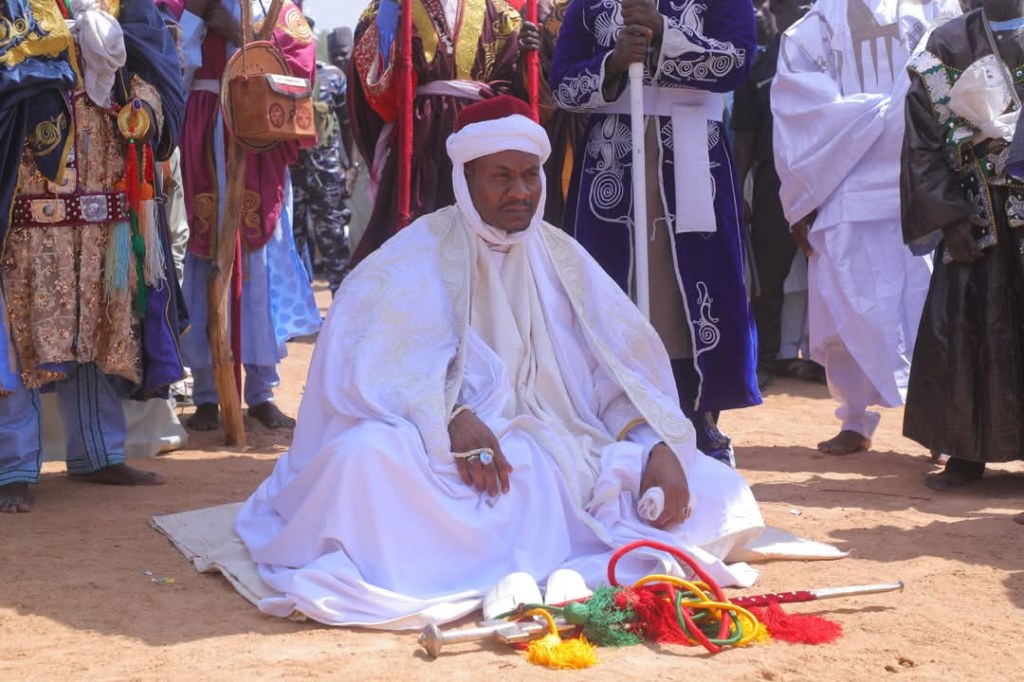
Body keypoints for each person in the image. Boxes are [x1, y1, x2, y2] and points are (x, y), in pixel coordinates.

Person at [234, 96, 765, 627]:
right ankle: (502, 557)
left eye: (531, 176)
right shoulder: (414, 253)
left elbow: (616, 372)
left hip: (565, 448)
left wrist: (656, 446)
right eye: (501, 177)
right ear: (465, 180)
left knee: (718, 492)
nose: (520, 192)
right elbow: (369, 367)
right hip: (443, 451)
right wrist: (448, 416)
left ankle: (506, 554)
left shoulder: (564, 258)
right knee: (362, 459)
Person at [550, 0, 762, 466]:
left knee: (689, 303)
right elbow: (562, 82)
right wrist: (612, 63)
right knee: (607, 295)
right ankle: (611, 431)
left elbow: (739, 59)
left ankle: (696, 433)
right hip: (612, 161)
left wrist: (664, 32)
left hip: (693, 157)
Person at [0, 0, 186, 513]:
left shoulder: (123, 4)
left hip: (106, 214)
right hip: (30, 212)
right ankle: (13, 465)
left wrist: (145, 107)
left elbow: (152, 68)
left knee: (99, 330)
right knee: (21, 340)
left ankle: (99, 455)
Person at [771, 0, 961, 456]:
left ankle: (937, 421)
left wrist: (894, 122)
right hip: (843, 182)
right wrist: (803, 200)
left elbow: (954, 74)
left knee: (928, 306)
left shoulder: (934, 6)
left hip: (918, 176)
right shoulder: (811, 28)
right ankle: (854, 419)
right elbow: (801, 115)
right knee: (842, 303)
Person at [164, 0, 322, 432]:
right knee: (205, 253)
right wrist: (195, 18)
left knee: (256, 259)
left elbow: (301, 71)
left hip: (256, 129)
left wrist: (240, 32)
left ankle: (260, 391)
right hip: (202, 125)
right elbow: (166, 57)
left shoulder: (277, 7)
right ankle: (207, 393)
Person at [901, 0, 1024, 489]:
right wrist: (949, 216)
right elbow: (923, 140)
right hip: (976, 214)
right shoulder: (946, 42)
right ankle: (967, 451)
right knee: (969, 327)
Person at [347, 0, 539, 268]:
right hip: (421, 144)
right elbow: (381, 101)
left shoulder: (501, 13)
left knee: (486, 245)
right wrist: (387, 40)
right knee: (418, 243)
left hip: (483, 143)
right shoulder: (388, 8)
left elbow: (516, 93)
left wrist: (532, 53)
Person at [733, 0, 813, 390]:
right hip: (774, 184)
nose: (800, 12)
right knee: (768, 277)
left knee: (832, 275)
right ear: (776, 14)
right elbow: (745, 133)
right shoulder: (760, 66)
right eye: (791, 7)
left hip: (825, 182)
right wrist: (737, 187)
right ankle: (764, 359)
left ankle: (824, 361)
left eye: (806, 6)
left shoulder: (829, 57)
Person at [291, 14, 350, 294]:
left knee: (334, 240)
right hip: (292, 172)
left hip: (326, 171)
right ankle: (298, 312)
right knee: (293, 240)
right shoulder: (282, 76)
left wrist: (352, 167)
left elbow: (347, 123)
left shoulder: (333, 77)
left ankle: (342, 306)